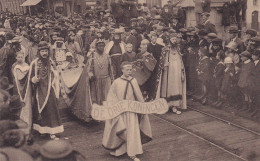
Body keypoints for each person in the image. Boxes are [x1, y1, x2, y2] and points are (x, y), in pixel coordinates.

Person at [102, 61, 152, 161]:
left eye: (130, 69)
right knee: (122, 129)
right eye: (127, 69)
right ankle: (120, 150)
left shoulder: (134, 81)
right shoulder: (117, 82)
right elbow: (112, 97)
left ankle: (132, 152)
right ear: (122, 70)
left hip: (132, 110)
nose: (129, 71)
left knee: (132, 130)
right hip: (121, 111)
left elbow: (138, 95)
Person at [28, 41, 63, 140]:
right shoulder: (34, 63)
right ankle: (42, 130)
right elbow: (30, 77)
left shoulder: (51, 62)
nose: (44, 53)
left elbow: (56, 74)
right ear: (39, 52)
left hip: (50, 89)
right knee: (40, 110)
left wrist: (54, 75)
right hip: (39, 90)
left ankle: (52, 132)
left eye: (46, 51)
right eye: (42, 51)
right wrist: (33, 79)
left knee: (51, 109)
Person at [158, 34, 187, 114]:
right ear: (169, 40)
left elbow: (180, 60)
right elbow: (162, 60)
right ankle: (166, 105)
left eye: (175, 39)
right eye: (173, 39)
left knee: (176, 87)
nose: (174, 41)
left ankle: (175, 106)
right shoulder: (166, 49)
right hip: (168, 71)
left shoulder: (178, 49)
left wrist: (182, 70)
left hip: (177, 72)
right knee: (167, 87)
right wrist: (164, 64)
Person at [88, 40, 113, 105]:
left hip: (106, 80)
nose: (101, 47)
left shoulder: (107, 56)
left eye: (103, 46)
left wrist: (111, 79)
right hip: (96, 80)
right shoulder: (92, 56)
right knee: (97, 99)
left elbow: (110, 68)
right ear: (96, 47)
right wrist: (91, 75)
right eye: (100, 46)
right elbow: (89, 68)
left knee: (107, 97)